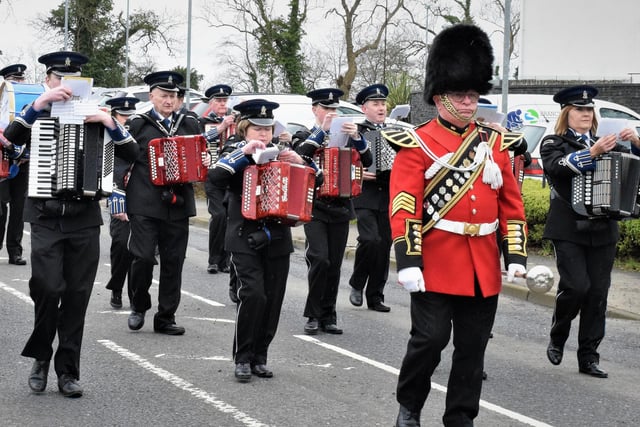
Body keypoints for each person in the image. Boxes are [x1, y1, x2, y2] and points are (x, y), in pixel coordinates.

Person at [387, 25, 528, 426]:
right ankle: (410, 405)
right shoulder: (418, 143)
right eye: (461, 96)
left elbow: (511, 205)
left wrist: (513, 252)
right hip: (434, 259)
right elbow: (404, 204)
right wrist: (408, 259)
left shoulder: (494, 143)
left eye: (473, 96)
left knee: (473, 349)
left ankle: (461, 417)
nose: (469, 104)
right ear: (439, 97)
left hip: (482, 264)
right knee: (429, 341)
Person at [4, 51, 138, 397]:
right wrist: (40, 103)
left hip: (84, 219)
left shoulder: (97, 116)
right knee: (48, 289)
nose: (64, 87)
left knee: (77, 296)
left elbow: (132, 153)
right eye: (57, 80)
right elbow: (13, 137)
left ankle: (68, 372)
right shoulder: (36, 114)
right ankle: (41, 358)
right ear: (48, 80)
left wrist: (110, 123)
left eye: (71, 81)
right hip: (46, 217)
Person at [540, 85, 640, 379]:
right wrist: (592, 152)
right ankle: (559, 334)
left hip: (603, 229)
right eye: (579, 109)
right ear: (566, 114)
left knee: (597, 295)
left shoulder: (606, 143)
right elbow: (558, 168)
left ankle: (589, 356)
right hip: (568, 227)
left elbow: (634, 166)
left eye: (588, 110)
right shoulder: (553, 142)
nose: (585, 114)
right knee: (576, 287)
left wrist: (635, 142)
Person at [208, 98, 307, 382]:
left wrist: (300, 160)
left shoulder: (284, 151)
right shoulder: (233, 150)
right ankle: (242, 357)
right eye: (257, 129)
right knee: (253, 294)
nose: (263, 134)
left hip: (277, 235)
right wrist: (246, 154)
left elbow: (318, 178)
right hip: (243, 235)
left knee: (273, 299)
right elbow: (215, 177)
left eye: (267, 129)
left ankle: (260, 356)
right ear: (244, 129)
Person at [125, 71, 204, 336]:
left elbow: (201, 156)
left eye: (173, 96)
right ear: (152, 96)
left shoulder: (189, 123)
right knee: (143, 257)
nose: (169, 100)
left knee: (174, 261)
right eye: (163, 95)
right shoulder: (139, 124)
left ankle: (166, 316)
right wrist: (117, 195)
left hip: (178, 202)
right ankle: (138, 304)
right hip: (144, 200)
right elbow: (123, 159)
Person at [294, 88, 372, 335]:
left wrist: (358, 138)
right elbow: (300, 156)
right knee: (319, 258)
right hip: (314, 205)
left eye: (334, 109)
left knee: (335, 264)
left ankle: (329, 314)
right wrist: (322, 131)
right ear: (315, 110)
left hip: (339, 206)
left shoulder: (347, 136)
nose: (331, 113)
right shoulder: (305, 134)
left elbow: (368, 161)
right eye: (326, 108)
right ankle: (313, 314)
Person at [348, 83, 393, 313]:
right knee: (370, 239)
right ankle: (357, 282)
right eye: (376, 104)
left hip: (388, 194)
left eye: (383, 103)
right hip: (364, 194)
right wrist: (357, 173)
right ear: (364, 108)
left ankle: (375, 295)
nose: (381, 107)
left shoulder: (397, 132)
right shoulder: (356, 132)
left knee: (384, 245)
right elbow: (342, 162)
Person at [103, 96, 140, 309]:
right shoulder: (109, 137)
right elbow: (108, 170)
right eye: (122, 116)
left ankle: (135, 294)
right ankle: (116, 288)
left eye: (129, 116)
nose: (126, 120)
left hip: (140, 198)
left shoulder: (137, 135)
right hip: (118, 195)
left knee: (139, 250)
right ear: (114, 116)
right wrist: (116, 200)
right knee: (120, 245)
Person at [200, 84, 235, 274]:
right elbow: (200, 139)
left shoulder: (236, 120)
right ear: (211, 103)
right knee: (219, 215)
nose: (222, 104)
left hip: (231, 177)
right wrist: (222, 127)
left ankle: (225, 260)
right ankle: (213, 259)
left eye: (224, 100)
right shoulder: (203, 121)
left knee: (230, 217)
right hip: (212, 176)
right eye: (218, 101)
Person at [0, 63, 29, 265]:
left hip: (22, 162)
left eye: (20, 79)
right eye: (14, 79)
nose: (18, 83)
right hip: (1, 160)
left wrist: (24, 152)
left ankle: (14, 251)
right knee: (1, 209)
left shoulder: (29, 102)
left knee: (19, 208)